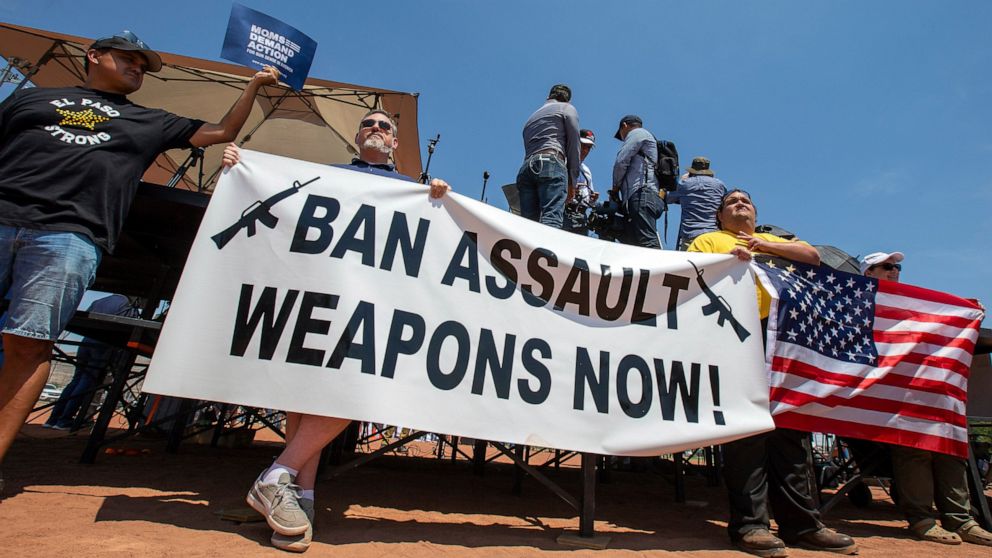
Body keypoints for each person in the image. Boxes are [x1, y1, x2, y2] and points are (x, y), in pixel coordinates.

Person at [0, 31, 279, 475]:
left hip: (70, 236)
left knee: (28, 344)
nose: (137, 68)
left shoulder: (151, 121)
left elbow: (222, 132)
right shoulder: (31, 101)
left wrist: (252, 87)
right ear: (94, 56)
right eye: (129, 59)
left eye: (143, 66)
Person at [223, 109, 450, 552]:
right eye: (370, 124)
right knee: (303, 393)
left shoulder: (412, 190)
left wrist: (438, 197)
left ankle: (276, 474)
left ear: (396, 144)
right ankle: (300, 496)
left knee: (354, 388)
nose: (377, 130)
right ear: (357, 134)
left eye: (386, 127)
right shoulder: (324, 176)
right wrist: (241, 166)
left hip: (374, 301)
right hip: (320, 291)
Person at [689, 190, 857, 557]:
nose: (739, 204)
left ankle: (803, 525)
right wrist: (731, 257)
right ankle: (750, 526)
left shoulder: (779, 241)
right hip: (738, 334)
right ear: (719, 216)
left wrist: (762, 245)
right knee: (747, 432)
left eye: (745, 201)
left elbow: (813, 257)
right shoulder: (708, 239)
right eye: (731, 202)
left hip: (786, 341)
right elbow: (694, 273)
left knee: (792, 434)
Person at [861, 251, 992, 547]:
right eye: (886, 266)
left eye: (897, 266)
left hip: (930, 388)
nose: (894, 270)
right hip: (890, 393)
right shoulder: (861, 302)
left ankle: (961, 518)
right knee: (914, 451)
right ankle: (921, 518)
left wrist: (964, 311)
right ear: (869, 273)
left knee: (951, 448)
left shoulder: (915, 302)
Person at [43, 294, 140, 431]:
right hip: (103, 344)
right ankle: (65, 419)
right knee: (88, 380)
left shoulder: (99, 300)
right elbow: (129, 326)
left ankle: (53, 418)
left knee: (76, 380)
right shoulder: (125, 303)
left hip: (86, 342)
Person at [516, 84, 580, 228]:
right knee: (551, 218)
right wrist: (572, 182)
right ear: (567, 100)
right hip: (551, 162)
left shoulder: (531, 119)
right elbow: (574, 145)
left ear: (548, 97)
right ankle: (545, 251)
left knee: (528, 225)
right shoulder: (566, 108)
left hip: (526, 168)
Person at [611, 115, 662, 248]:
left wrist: (615, 187)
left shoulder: (637, 133)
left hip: (641, 193)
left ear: (625, 125)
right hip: (645, 195)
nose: (622, 138)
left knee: (647, 242)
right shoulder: (647, 136)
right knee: (636, 245)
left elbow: (621, 161)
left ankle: (660, 268)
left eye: (621, 134)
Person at [666, 156, 727, 250]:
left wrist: (683, 180)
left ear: (692, 170)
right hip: (715, 234)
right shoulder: (719, 184)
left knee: (691, 264)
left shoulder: (684, 184)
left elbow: (667, 199)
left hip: (691, 235)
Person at [563, 128, 598, 235]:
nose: (585, 151)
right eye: (583, 146)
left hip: (581, 217)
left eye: (588, 148)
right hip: (564, 214)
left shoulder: (586, 171)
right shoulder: (562, 162)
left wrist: (592, 199)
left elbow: (590, 199)